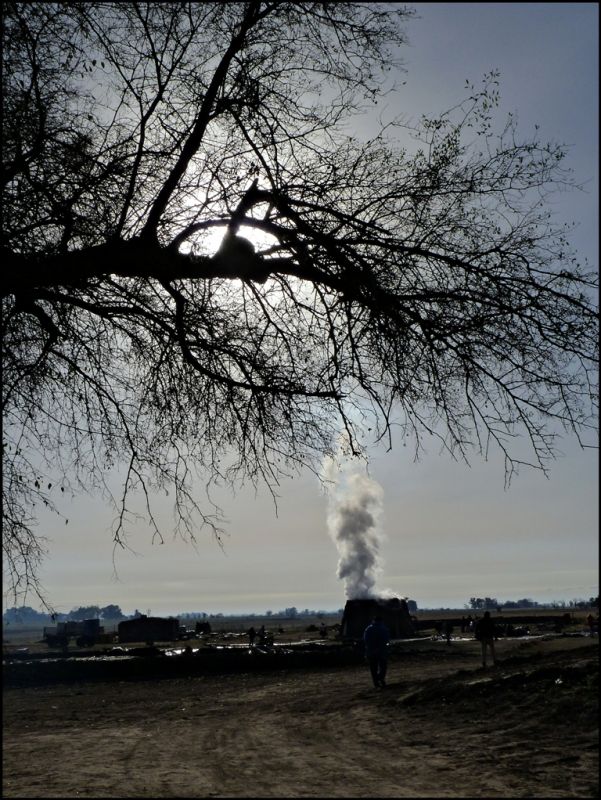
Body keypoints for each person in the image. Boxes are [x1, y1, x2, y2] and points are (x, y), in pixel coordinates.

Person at [363, 614, 390, 689]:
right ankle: (381, 678)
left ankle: (376, 682)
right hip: (382, 651)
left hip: (371, 651)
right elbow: (386, 640)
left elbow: (365, 640)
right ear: (381, 621)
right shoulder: (384, 628)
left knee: (373, 668)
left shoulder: (368, 629)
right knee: (383, 667)